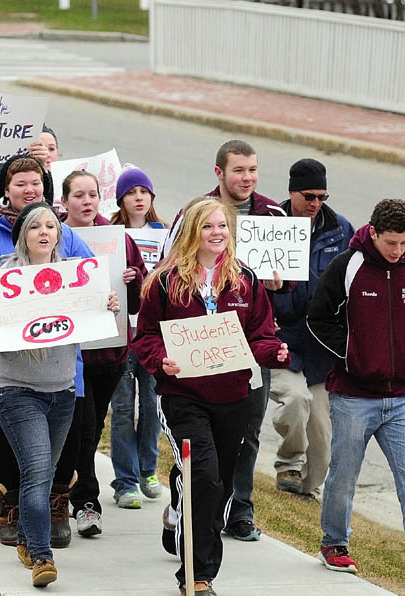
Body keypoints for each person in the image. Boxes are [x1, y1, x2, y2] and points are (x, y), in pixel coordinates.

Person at [135, 198, 289, 595]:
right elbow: (146, 337)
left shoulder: (245, 281)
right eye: (208, 226)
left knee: (218, 482)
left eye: (222, 226)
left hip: (234, 397)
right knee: (202, 474)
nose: (217, 233)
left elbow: (260, 336)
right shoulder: (165, 282)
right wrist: (161, 360)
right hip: (183, 397)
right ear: (191, 232)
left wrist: (275, 351)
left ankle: (181, 512)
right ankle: (198, 576)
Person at [0, 154, 92, 548]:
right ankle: (10, 508)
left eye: (36, 184)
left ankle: (55, 505)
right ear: (4, 190)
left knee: (64, 446)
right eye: (20, 184)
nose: (30, 191)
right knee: (13, 446)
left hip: (63, 366)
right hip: (7, 365)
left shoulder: (64, 234)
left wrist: (107, 295)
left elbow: (91, 280)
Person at [0, 201, 120, 586]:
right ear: (23, 233)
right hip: (16, 391)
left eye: (51, 227)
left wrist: (105, 307)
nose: (44, 232)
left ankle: (25, 535)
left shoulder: (74, 275)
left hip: (63, 392)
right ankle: (41, 556)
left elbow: (96, 328)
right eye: (36, 226)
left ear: (59, 235)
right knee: (38, 473)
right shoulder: (5, 276)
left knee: (45, 472)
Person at [164, 140, 288, 542]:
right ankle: (183, 505)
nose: (247, 177)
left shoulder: (274, 215)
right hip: (193, 363)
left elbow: (276, 297)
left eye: (253, 169)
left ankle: (238, 511)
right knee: (198, 450)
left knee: (246, 434)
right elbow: (167, 274)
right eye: (239, 170)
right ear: (219, 173)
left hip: (246, 354)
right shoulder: (194, 213)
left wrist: (277, 286)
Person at [307, 198, 405, 573]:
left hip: (400, 397)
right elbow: (318, 319)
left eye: (403, 243)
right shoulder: (348, 265)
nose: (397, 251)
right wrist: (352, 356)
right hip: (353, 394)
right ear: (374, 233)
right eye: (391, 242)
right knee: (344, 474)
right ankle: (334, 543)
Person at [60, 170, 147, 534]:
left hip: (111, 350)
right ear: (64, 201)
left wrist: (133, 279)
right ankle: (86, 503)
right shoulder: (56, 235)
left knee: (92, 429)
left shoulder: (117, 238)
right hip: (74, 352)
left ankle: (68, 484)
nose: (86, 201)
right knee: (83, 427)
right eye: (78, 195)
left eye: (92, 194)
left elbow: (140, 289)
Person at [270, 159, 353, 499]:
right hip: (280, 341)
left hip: (320, 347)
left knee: (322, 432)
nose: (316, 203)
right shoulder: (270, 225)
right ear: (292, 193)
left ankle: (305, 488)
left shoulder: (341, 230)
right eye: (308, 195)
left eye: (322, 195)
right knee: (295, 400)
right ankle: (288, 463)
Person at [108, 165, 167, 508]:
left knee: (152, 404)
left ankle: (148, 469)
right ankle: (125, 480)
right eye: (131, 192)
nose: (139, 197)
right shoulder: (110, 235)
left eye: (144, 191)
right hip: (120, 331)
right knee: (122, 408)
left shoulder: (164, 233)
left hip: (153, 332)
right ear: (120, 200)